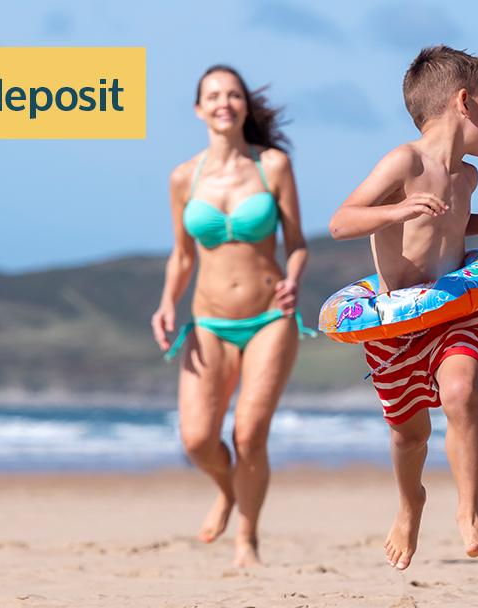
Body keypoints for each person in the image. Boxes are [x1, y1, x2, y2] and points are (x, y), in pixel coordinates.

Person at [328, 45, 478, 571]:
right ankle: (410, 500)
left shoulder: (467, 178)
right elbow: (342, 221)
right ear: (464, 103)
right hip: (395, 322)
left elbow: (449, 223)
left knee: (461, 391)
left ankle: (470, 512)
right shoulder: (404, 162)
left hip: (454, 310)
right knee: (408, 433)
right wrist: (397, 207)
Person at [151, 65, 313, 569]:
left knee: (248, 434)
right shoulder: (184, 177)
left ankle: (248, 539)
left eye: (233, 94)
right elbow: (181, 255)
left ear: (244, 106)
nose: (224, 102)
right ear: (199, 109)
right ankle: (226, 489)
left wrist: (294, 279)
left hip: (270, 317)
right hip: (207, 322)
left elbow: (298, 244)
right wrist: (165, 303)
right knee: (198, 439)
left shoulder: (273, 167)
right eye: (213, 95)